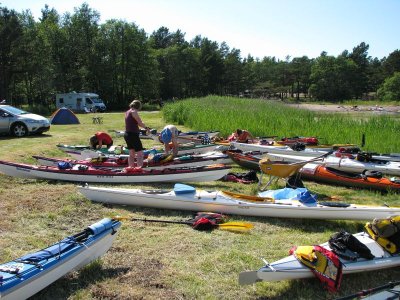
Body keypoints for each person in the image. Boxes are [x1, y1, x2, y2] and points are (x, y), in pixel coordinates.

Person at [124, 100, 149, 167]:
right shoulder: (134, 112)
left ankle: (131, 168)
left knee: (131, 154)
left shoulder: (127, 112)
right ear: (138, 106)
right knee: (140, 154)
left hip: (127, 134)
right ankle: (139, 169)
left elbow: (131, 123)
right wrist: (147, 128)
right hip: (133, 135)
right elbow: (140, 123)